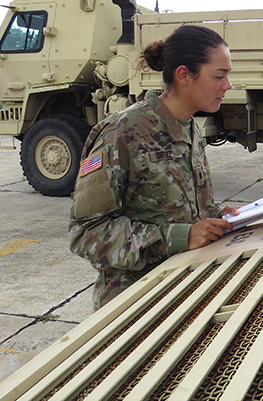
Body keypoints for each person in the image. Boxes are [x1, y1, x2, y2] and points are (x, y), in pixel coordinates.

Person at [69, 25, 238, 310]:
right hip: (133, 306)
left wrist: (220, 215)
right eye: (219, 75)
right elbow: (85, 233)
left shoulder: (190, 129)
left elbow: (188, 209)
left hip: (180, 293)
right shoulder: (122, 133)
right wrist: (177, 237)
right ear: (184, 75)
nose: (228, 85)